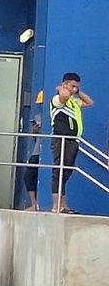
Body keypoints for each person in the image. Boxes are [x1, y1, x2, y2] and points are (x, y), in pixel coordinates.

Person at [50, 72, 94, 213]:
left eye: (77, 87)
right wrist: (61, 89)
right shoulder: (57, 99)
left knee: (66, 173)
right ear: (65, 84)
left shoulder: (74, 102)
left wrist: (77, 91)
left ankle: (63, 205)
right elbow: (63, 97)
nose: (74, 89)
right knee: (59, 171)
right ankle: (56, 205)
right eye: (73, 86)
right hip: (62, 140)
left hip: (73, 141)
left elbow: (89, 102)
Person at [22, 109, 43, 211]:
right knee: (28, 177)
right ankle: (34, 204)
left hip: (42, 151)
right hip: (36, 151)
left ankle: (37, 205)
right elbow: (35, 138)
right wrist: (35, 130)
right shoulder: (38, 115)